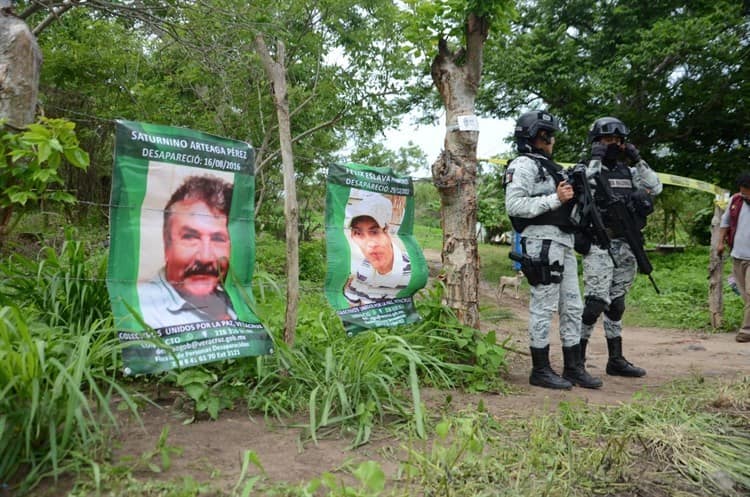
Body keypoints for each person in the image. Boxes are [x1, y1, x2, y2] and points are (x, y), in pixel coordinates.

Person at [504, 110, 602, 390]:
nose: (552, 141)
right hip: (542, 242)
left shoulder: (553, 166)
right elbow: (515, 206)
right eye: (548, 135)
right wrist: (554, 199)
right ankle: (540, 369)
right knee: (543, 307)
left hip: (564, 242)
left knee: (572, 307)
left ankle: (573, 367)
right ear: (536, 136)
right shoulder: (523, 164)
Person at [578, 117, 662, 376]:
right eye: (606, 140)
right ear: (596, 142)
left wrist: (638, 160)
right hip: (600, 244)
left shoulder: (630, 172)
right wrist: (595, 158)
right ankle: (576, 360)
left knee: (617, 304)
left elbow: (655, 187)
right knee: (595, 303)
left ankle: (615, 359)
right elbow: (586, 183)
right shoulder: (587, 167)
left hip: (627, 245)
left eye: (617, 140)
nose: (612, 144)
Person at [138, 175, 236, 328]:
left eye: (218, 239)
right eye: (190, 237)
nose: (205, 257)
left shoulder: (234, 300)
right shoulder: (141, 312)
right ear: (166, 243)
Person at [343, 190, 411, 306]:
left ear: (386, 231)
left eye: (374, 232)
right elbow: (353, 307)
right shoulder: (364, 267)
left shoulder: (407, 270)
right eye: (358, 232)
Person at [717, 172, 750, 343]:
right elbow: (725, 222)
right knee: (744, 294)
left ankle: (746, 331)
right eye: (742, 191)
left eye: (747, 192)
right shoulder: (736, 201)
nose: (744, 195)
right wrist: (721, 242)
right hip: (737, 255)